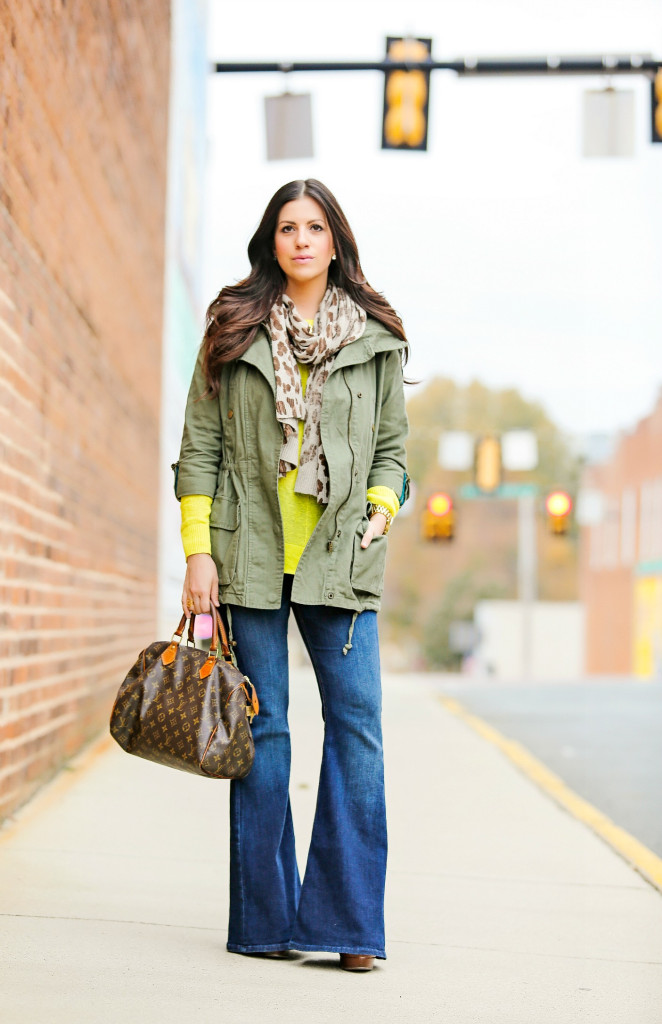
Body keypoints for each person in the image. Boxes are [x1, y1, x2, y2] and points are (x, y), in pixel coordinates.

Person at [173, 178, 409, 972]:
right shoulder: (234, 328)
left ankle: (346, 927)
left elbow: (392, 451)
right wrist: (196, 550)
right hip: (246, 558)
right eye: (286, 228)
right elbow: (199, 447)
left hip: (342, 559)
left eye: (314, 227)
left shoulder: (375, 338)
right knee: (265, 735)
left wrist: (381, 508)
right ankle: (267, 921)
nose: (301, 240)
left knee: (358, 732)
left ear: (335, 240)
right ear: (271, 242)